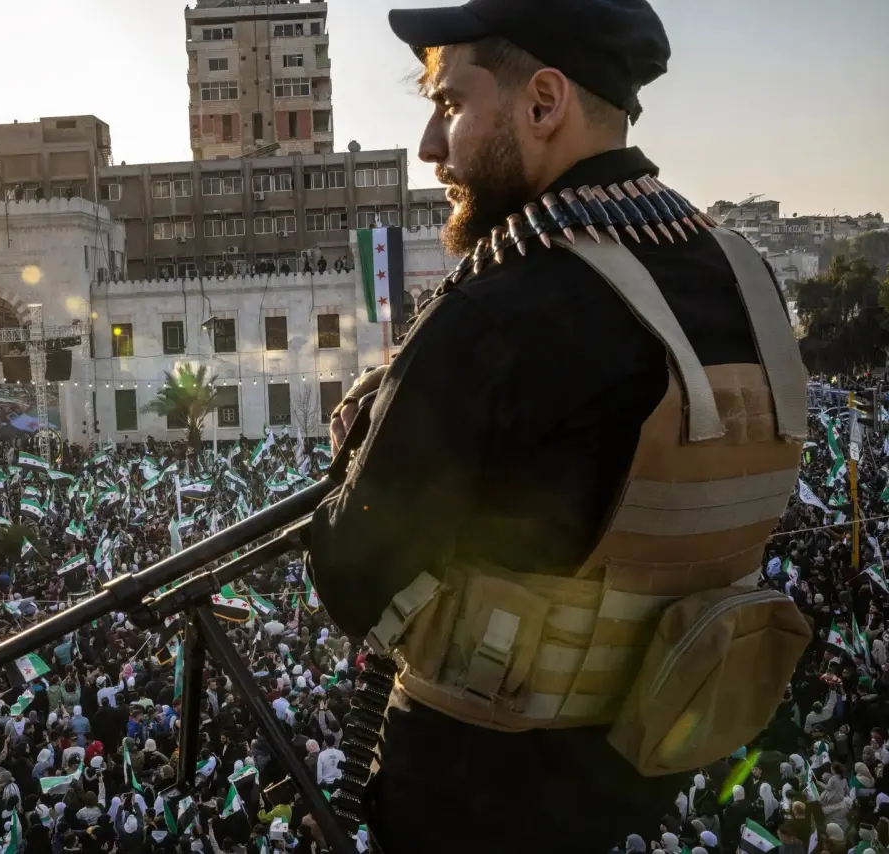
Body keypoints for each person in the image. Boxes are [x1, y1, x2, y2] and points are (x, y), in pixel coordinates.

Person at [306, 0, 810, 850]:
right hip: (638, 773)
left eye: (453, 105)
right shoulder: (745, 277)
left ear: (543, 103)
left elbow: (355, 573)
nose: (433, 146)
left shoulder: (498, 311)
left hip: (477, 795)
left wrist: (357, 443)